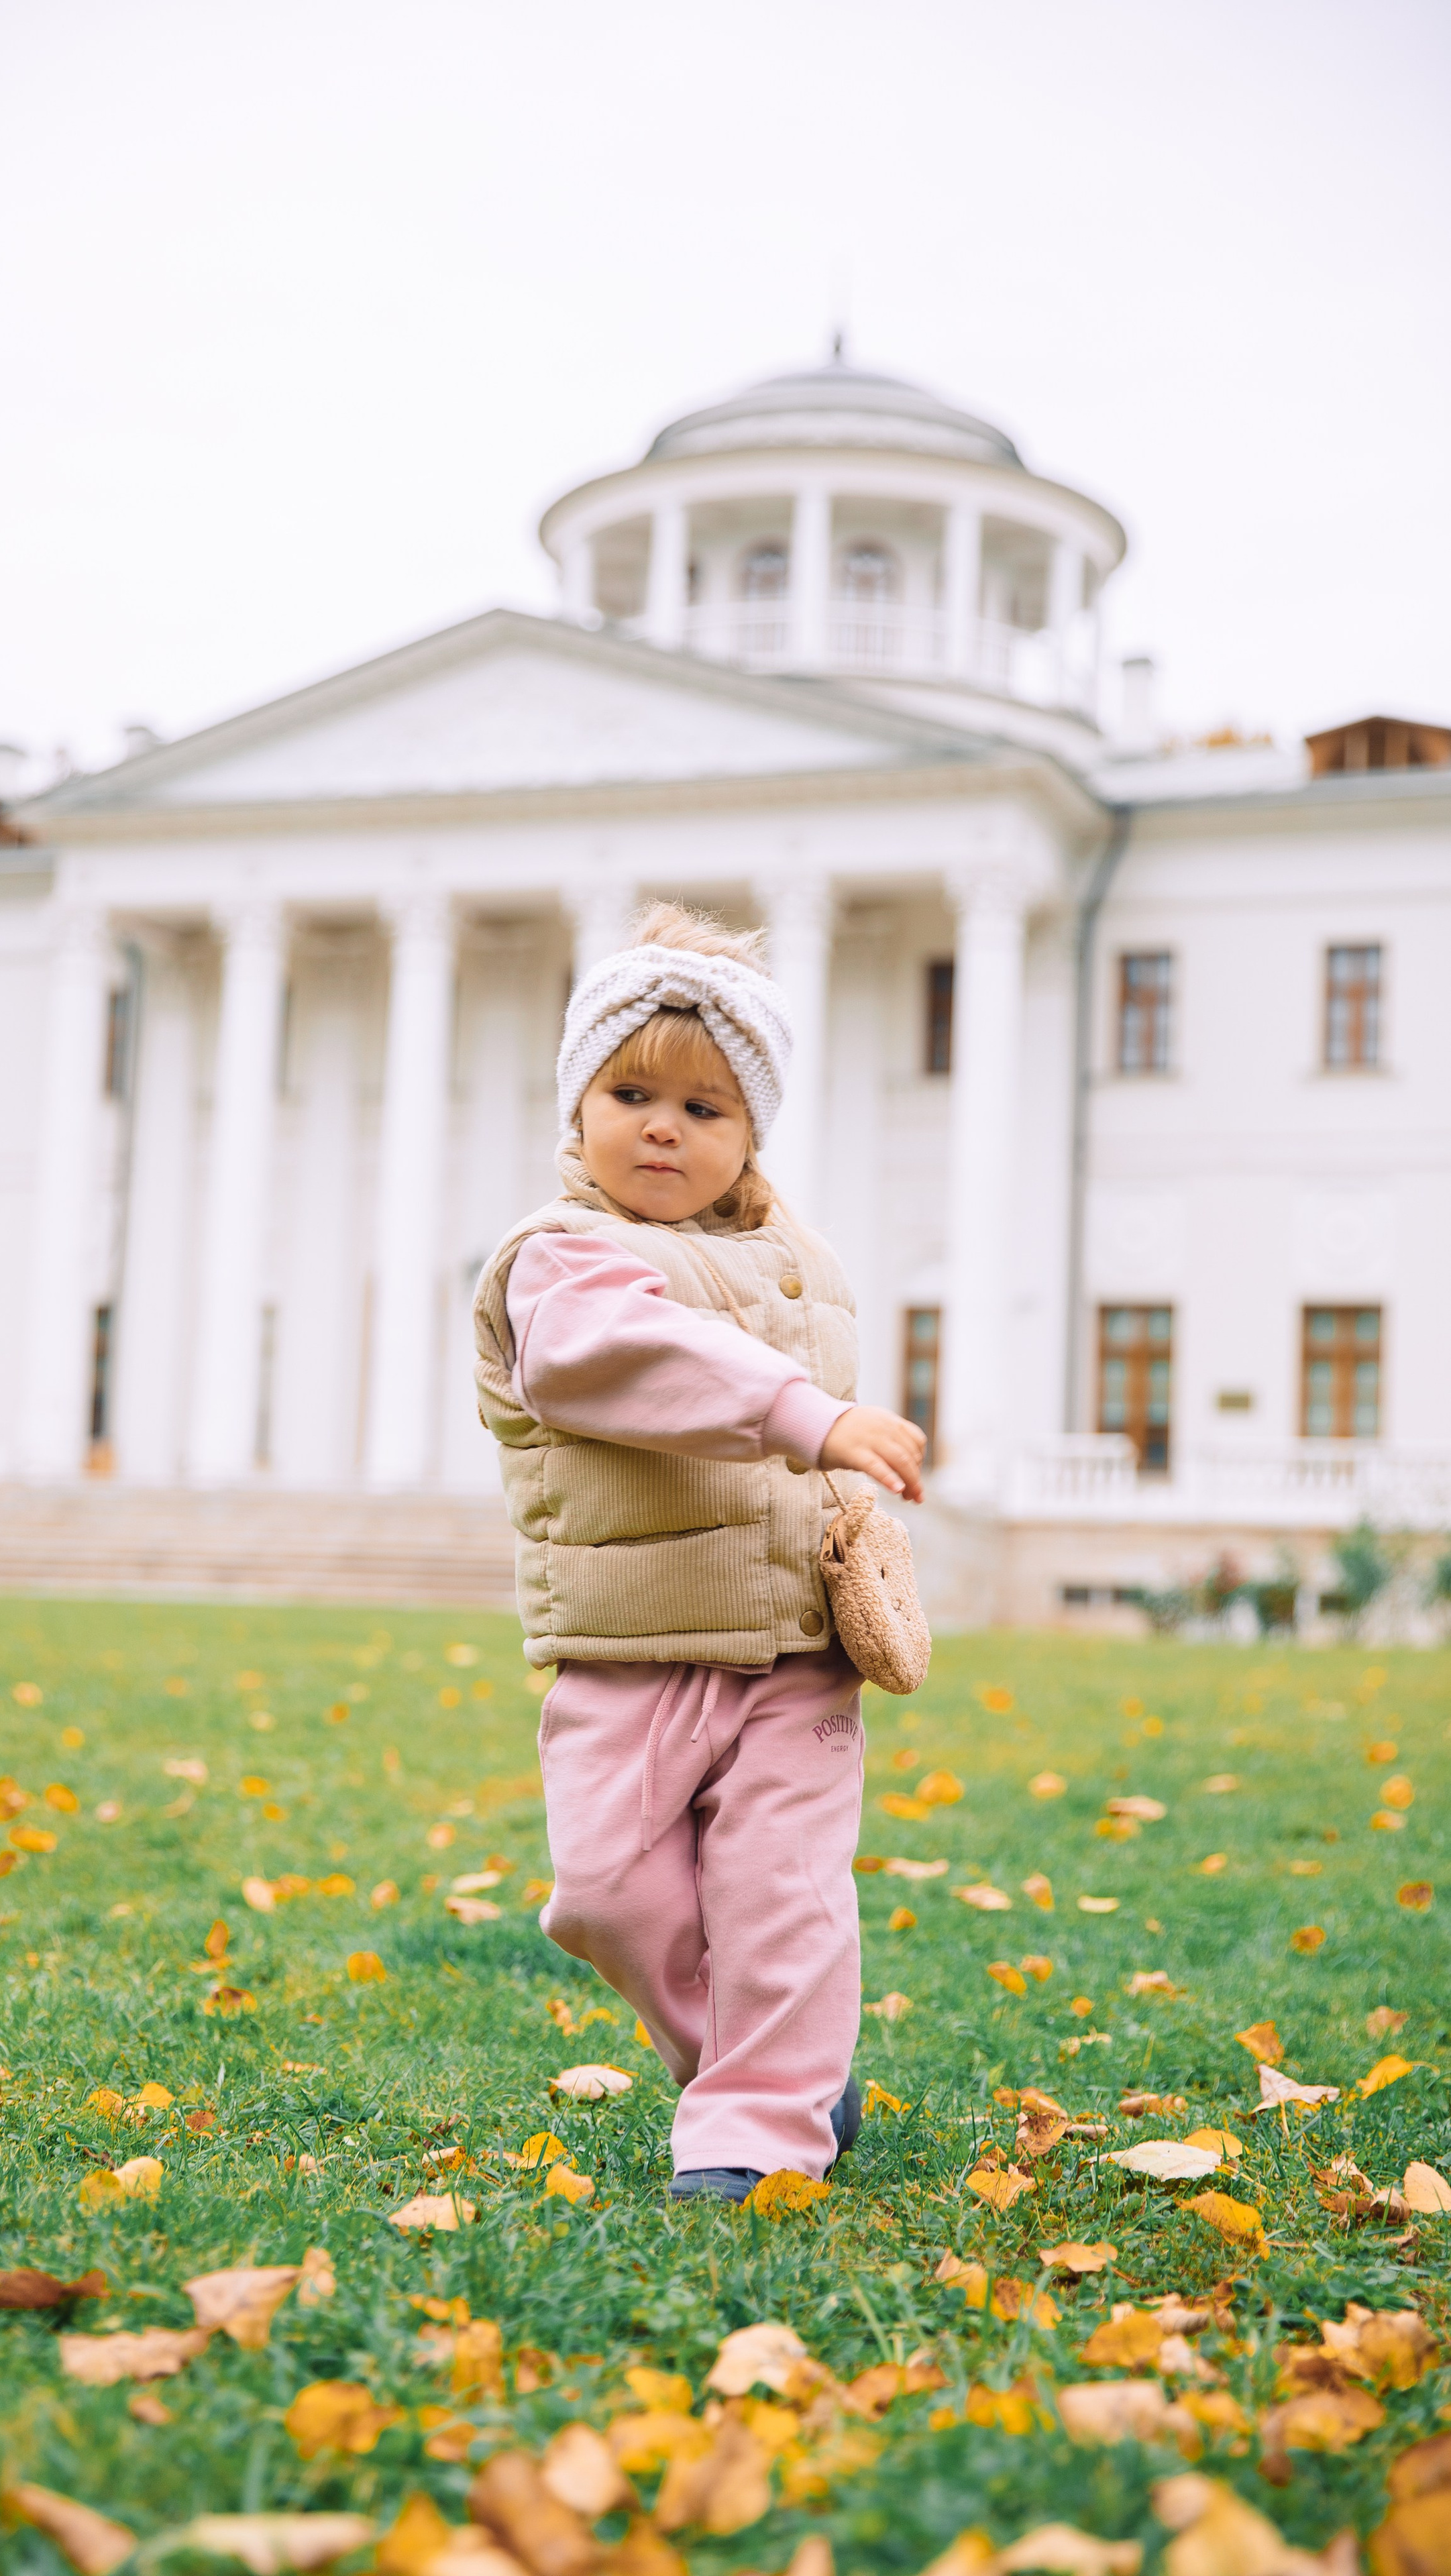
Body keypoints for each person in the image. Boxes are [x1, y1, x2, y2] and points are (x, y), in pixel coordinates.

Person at [473, 903, 926, 2202]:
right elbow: (621, 1356)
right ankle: (771, 2059)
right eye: (630, 1092)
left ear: (750, 1137)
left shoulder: (806, 1265)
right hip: (625, 1656)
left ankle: (751, 2130)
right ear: (579, 1108)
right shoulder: (556, 1259)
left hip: (789, 1656)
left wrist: (852, 1518)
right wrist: (807, 1413)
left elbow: (820, 1469)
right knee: (605, 1896)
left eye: (704, 1108)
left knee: (779, 1896)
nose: (661, 1126)